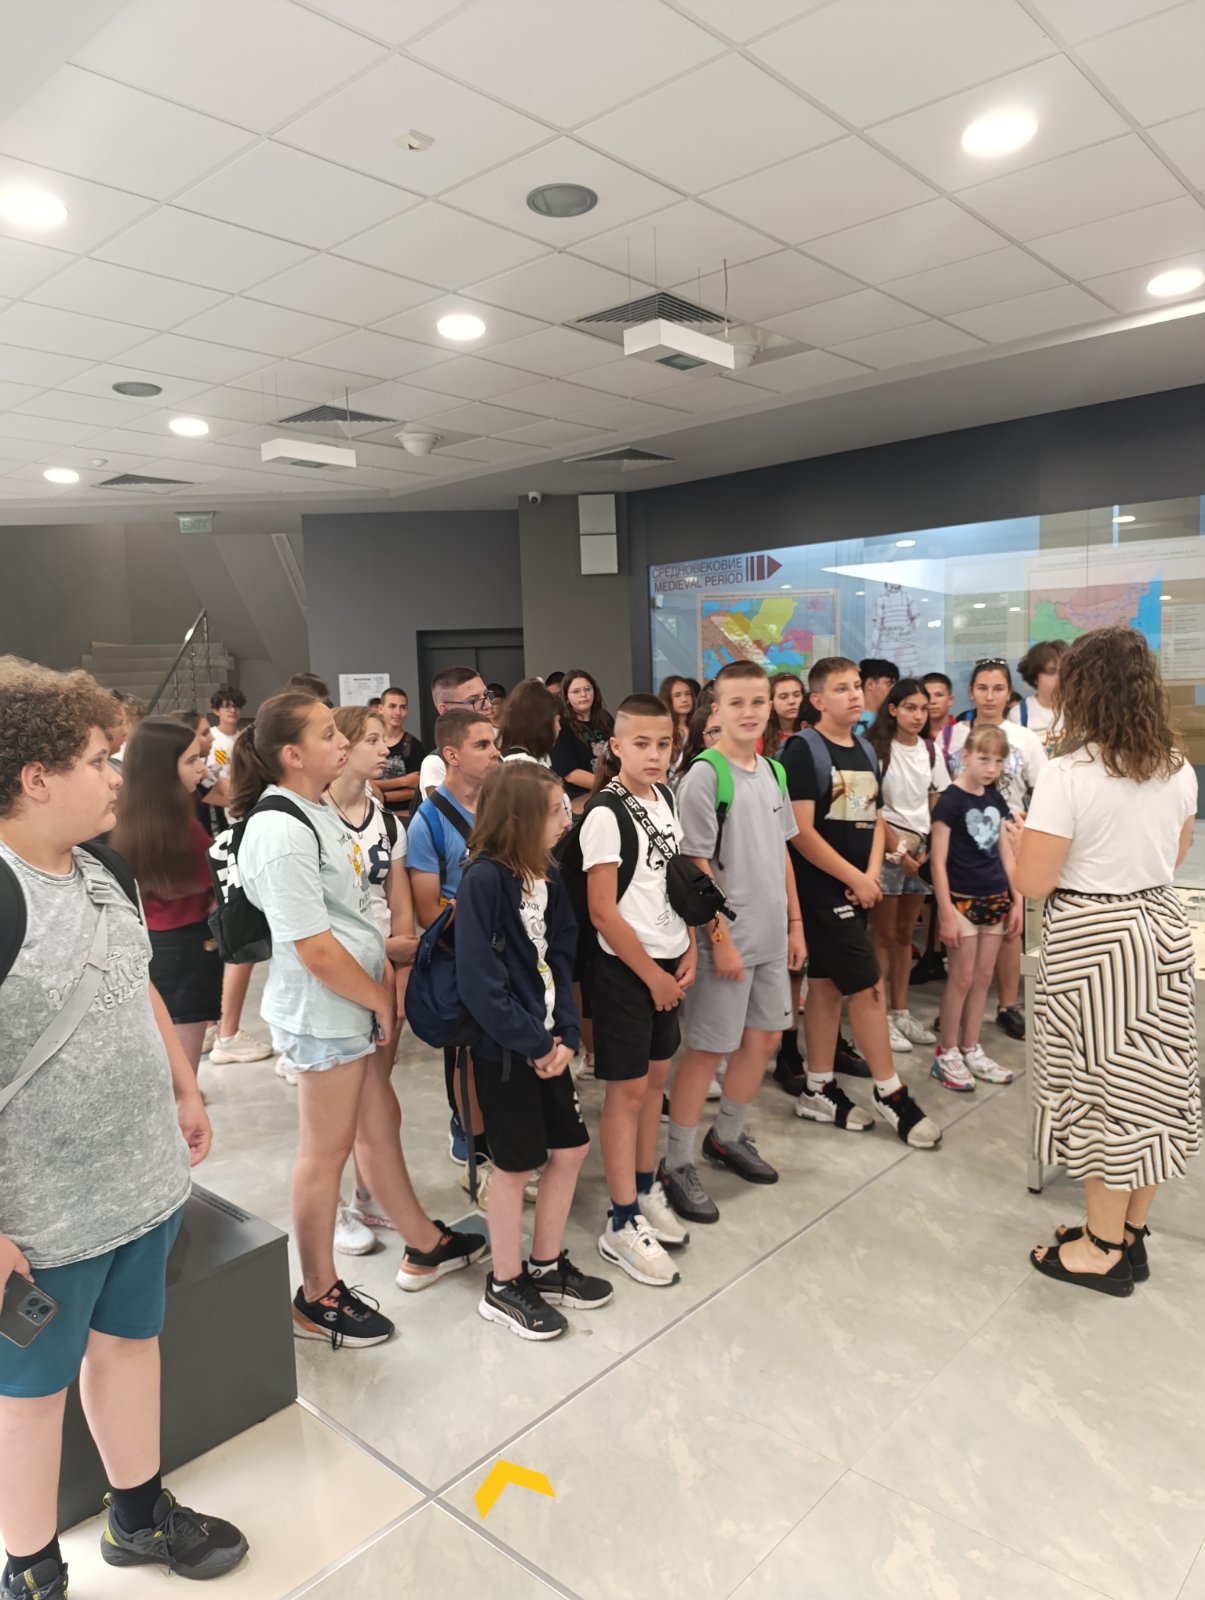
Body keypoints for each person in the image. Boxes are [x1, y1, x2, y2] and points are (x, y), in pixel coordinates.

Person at [0, 657, 247, 1594]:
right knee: (30, 1395)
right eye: (97, 760)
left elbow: (135, 981)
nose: (115, 775)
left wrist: (184, 1087)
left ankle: (138, 1515)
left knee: (133, 1344)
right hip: (39, 1219)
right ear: (36, 778)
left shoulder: (104, 868)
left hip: (139, 1178)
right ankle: (30, 1568)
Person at [231, 693, 485, 1350]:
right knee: (325, 1153)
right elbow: (314, 948)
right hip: (326, 1011)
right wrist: (378, 997)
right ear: (292, 754)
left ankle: (423, 1242)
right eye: (327, 733)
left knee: (379, 1121)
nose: (342, 741)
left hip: (347, 1003)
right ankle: (316, 1295)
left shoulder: (314, 810)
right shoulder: (280, 828)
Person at [1017, 628, 1198, 1296]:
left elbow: (1035, 881)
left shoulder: (1069, 774)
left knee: (1102, 1097)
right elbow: (1174, 854)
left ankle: (1099, 1249)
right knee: (1152, 1089)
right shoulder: (1175, 766)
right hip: (1159, 927)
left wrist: (1018, 843)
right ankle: (1128, 1232)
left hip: (1093, 940)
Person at [456, 763, 613, 1339]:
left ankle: (544, 1266)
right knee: (514, 1165)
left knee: (571, 1149)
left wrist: (566, 1034)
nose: (566, 820)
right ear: (518, 819)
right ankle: (504, 1283)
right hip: (505, 1052)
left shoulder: (546, 876)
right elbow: (480, 985)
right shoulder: (483, 881)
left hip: (549, 1044)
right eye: (553, 812)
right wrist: (535, 1042)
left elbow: (561, 961)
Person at [322, 705, 475, 1278]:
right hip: (339, 977)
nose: (384, 748)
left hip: (386, 971)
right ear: (340, 746)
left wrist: (403, 963)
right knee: (342, 1108)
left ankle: (368, 1194)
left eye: (382, 739)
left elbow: (401, 901)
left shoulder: (387, 820)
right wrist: (386, 949)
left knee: (378, 1095)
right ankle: (338, 1209)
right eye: (370, 739)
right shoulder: (314, 819)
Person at [659, 662, 804, 1225]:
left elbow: (782, 850)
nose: (749, 712)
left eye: (757, 702)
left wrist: (795, 923)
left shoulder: (773, 771)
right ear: (715, 709)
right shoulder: (704, 775)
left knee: (764, 1040)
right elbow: (695, 865)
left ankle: (727, 1136)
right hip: (729, 940)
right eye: (736, 702)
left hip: (770, 935)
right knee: (707, 1049)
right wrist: (718, 938)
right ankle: (677, 1162)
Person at [785, 657, 941, 1148]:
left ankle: (817, 1088)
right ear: (817, 700)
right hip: (819, 891)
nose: (854, 695)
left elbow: (872, 817)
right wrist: (853, 877)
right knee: (868, 985)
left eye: (857, 686)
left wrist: (871, 875)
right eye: (841, 688)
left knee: (827, 985)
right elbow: (799, 832)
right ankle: (890, 1091)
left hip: (858, 886)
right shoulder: (802, 750)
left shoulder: (866, 751)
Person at [582, 695, 695, 1286]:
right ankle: (621, 1218)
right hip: (627, 970)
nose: (654, 755)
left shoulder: (665, 798)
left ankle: (647, 1187)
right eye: (642, 744)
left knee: (655, 1083)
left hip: (668, 962)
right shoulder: (605, 812)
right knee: (625, 1094)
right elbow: (603, 911)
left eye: (664, 744)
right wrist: (651, 975)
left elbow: (672, 883)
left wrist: (690, 944)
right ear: (616, 746)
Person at [407, 709, 501, 1176]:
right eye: (482, 745)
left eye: (494, 742)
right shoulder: (428, 821)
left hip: (513, 948)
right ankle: (470, 1133)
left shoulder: (504, 803)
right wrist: (479, 912)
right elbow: (428, 911)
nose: (495, 752)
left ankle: (504, 1130)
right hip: (463, 954)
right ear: (452, 755)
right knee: (467, 1053)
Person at [108, 717, 223, 1083]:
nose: (201, 768)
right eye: (191, 760)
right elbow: (214, 885)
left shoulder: (125, 821)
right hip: (187, 949)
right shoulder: (182, 830)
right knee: (184, 1077)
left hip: (150, 946)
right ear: (164, 769)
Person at [947, 658, 1047, 1041]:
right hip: (960, 846)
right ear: (971, 692)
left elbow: (1044, 790)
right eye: (982, 688)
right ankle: (958, 1007)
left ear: (1009, 694)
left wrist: (1026, 827)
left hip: (1006, 843)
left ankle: (1007, 1006)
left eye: (998, 688)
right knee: (962, 928)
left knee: (1008, 928)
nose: (990, 696)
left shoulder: (1025, 739)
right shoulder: (953, 736)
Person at [928, 725, 1020, 1091]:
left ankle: (971, 1046)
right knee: (961, 978)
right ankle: (947, 1051)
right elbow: (938, 862)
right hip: (960, 902)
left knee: (983, 978)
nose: (991, 768)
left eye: (998, 761)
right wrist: (945, 912)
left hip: (994, 899)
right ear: (966, 756)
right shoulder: (950, 802)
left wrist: (1017, 898)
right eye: (984, 759)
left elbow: (1005, 851)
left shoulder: (994, 798)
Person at [865, 679, 949, 1055]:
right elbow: (872, 806)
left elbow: (937, 796)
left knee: (904, 936)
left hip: (920, 849)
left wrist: (927, 844)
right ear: (893, 709)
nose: (918, 716)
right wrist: (899, 850)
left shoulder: (930, 750)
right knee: (881, 935)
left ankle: (901, 1011)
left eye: (923, 709)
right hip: (885, 850)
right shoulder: (876, 749)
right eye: (910, 708)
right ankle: (878, 1013)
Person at [204, 686, 271, 1068]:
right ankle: (225, 1032)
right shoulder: (221, 756)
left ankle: (217, 1026)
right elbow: (221, 793)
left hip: (234, 834)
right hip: (232, 840)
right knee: (242, 939)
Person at [415, 666, 494, 799]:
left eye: (486, 695)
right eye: (474, 700)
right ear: (445, 710)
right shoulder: (437, 763)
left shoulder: (496, 751)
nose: (488, 705)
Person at [552, 669, 613, 813]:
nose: (583, 695)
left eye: (587, 689)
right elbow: (571, 774)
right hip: (580, 800)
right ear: (566, 697)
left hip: (611, 792)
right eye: (576, 691)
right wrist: (611, 786)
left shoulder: (605, 719)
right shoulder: (562, 726)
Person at [375, 687, 425, 816]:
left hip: (404, 813)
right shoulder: (371, 743)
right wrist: (404, 781)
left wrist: (382, 794)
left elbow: (416, 788)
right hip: (374, 813)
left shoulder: (413, 745)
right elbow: (365, 784)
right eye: (392, 706)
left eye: (403, 707)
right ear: (380, 709)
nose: (398, 712)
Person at [1011, 640, 1067, 752]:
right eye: (1051, 671)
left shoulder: (1079, 711)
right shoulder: (1019, 714)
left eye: (1064, 671)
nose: (1059, 677)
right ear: (1035, 677)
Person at [658, 676, 696, 766]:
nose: (684, 699)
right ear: (668, 700)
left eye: (687, 694)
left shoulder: (698, 725)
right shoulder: (663, 729)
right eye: (677, 695)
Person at [677, 701, 722, 777]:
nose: (724, 736)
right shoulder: (694, 775)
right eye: (715, 731)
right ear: (700, 741)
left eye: (727, 729)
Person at [765, 672, 804, 757]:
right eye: (783, 697)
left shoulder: (812, 731)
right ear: (771, 704)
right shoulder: (760, 736)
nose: (792, 701)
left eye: (797, 695)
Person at [854, 658, 898, 735]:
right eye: (889, 684)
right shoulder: (849, 722)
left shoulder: (894, 722)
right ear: (870, 684)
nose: (894, 690)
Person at [922, 672, 957, 767]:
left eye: (939, 695)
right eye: (927, 696)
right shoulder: (915, 735)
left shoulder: (963, 732)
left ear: (950, 700)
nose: (932, 701)